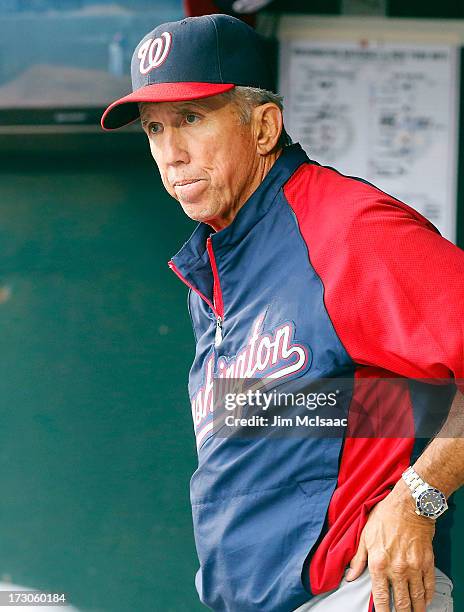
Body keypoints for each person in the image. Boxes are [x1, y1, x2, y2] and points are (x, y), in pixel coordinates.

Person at [101, 14, 463, 612]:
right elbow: (365, 405)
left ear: (264, 126)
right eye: (155, 129)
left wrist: (417, 498)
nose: (172, 152)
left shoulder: (345, 228)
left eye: (192, 119)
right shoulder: (215, 266)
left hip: (354, 595)